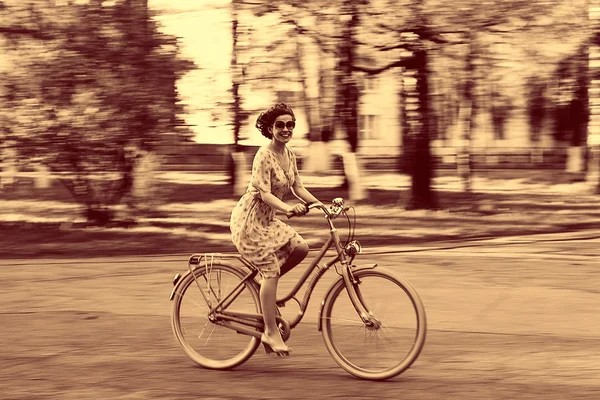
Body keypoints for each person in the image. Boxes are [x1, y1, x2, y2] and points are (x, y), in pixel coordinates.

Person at [230, 102, 321, 357]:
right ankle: (270, 332)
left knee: (301, 247)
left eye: (290, 125)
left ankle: (264, 286)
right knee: (271, 270)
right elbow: (263, 193)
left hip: (268, 221)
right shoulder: (263, 154)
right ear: (270, 128)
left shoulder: (289, 155)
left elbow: (298, 187)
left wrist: (320, 205)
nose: (286, 129)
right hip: (249, 223)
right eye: (280, 125)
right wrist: (288, 209)